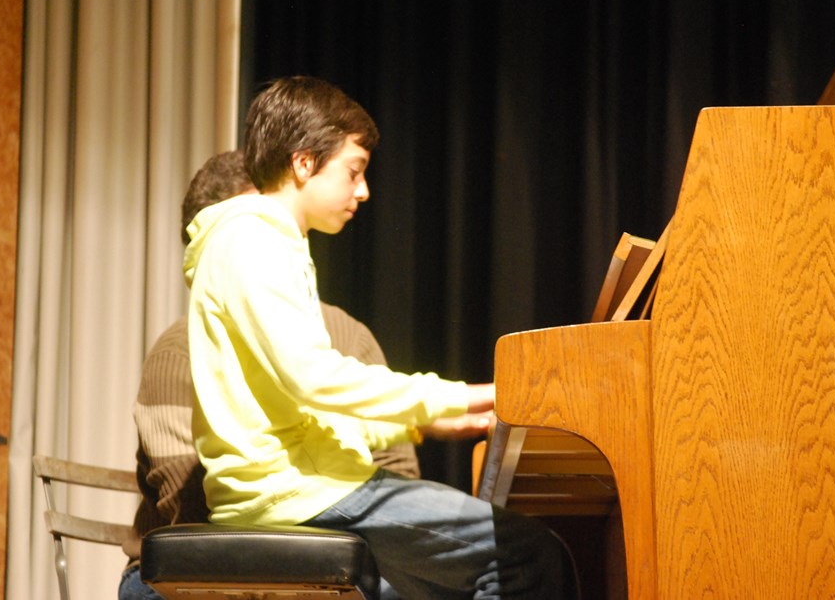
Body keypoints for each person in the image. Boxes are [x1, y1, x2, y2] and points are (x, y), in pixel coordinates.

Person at [183, 76, 577, 598]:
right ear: (303, 163)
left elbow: (295, 410)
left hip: (301, 485)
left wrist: (417, 425)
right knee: (527, 556)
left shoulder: (264, 241)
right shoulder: (252, 241)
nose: (364, 190)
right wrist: (465, 394)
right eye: (354, 171)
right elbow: (315, 380)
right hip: (296, 493)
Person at [118, 150, 422, 600]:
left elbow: (398, 469)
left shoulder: (348, 337)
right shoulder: (176, 353)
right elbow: (186, 504)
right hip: (202, 567)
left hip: (333, 563)